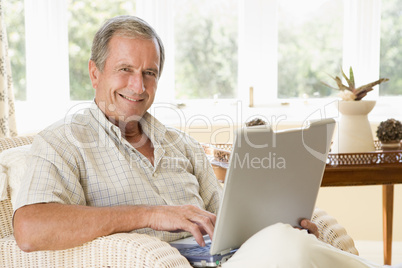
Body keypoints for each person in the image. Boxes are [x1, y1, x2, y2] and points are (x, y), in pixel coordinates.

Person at [13, 15, 391, 268]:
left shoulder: (182, 146)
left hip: (225, 259)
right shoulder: (63, 141)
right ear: (95, 74)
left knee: (293, 243)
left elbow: (227, 222)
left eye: (149, 73)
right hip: (162, 260)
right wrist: (151, 213)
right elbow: (30, 230)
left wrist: (280, 225)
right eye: (124, 70)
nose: (138, 86)